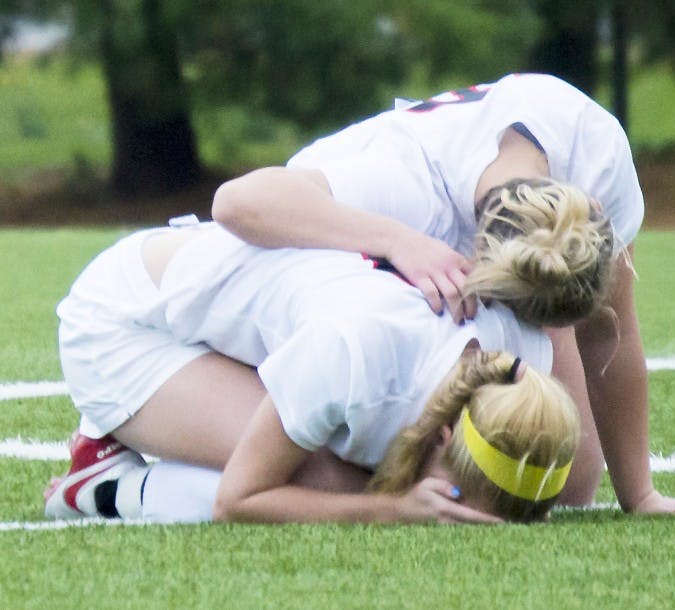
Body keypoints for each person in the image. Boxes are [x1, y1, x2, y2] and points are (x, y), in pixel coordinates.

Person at [211, 72, 675, 515]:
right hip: (322, 256)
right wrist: (399, 242)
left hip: (481, 249)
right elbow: (237, 203)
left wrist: (641, 495)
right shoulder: (408, 185)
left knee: (567, 481)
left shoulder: (600, 162)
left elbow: (609, 333)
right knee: (343, 471)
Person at [44, 220, 580, 524]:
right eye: (460, 494)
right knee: (339, 486)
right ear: (445, 433)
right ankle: (105, 484)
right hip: (124, 323)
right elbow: (240, 501)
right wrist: (388, 510)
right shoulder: (355, 354)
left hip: (217, 301)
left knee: (364, 475)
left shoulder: (525, 359)